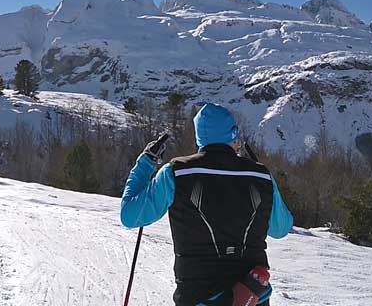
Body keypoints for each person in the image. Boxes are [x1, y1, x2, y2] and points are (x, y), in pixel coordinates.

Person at [120, 103, 293, 306]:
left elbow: (131, 216)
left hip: (197, 297)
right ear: (233, 135)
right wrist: (262, 175)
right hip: (250, 296)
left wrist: (147, 162)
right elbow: (281, 228)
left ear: (199, 138)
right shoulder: (260, 175)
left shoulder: (176, 173)